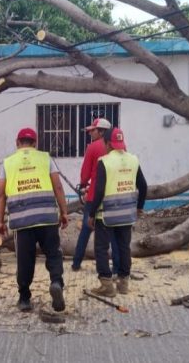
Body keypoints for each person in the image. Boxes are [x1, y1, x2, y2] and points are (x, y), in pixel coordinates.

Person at [0, 128, 69, 312]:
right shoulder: (45, 158)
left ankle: (24, 298)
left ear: (17, 142)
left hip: (22, 221)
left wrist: (0, 221)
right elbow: (58, 187)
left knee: (25, 259)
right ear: (35, 143)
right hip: (46, 217)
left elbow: (0, 194)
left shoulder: (7, 163)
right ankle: (56, 282)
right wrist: (64, 212)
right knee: (53, 253)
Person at [87, 128, 147, 297]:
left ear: (107, 143)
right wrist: (139, 206)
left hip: (106, 215)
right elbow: (143, 186)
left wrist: (91, 213)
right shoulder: (133, 160)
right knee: (124, 247)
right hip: (127, 213)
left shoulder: (104, 162)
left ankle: (107, 285)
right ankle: (123, 284)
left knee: (101, 248)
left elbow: (99, 191)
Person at [72, 117, 120, 273]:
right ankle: (117, 266)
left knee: (86, 229)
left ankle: (76, 263)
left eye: (93, 130)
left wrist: (84, 185)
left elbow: (85, 175)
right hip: (113, 195)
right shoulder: (119, 148)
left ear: (102, 131)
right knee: (113, 232)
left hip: (94, 197)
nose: (91, 133)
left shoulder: (92, 148)